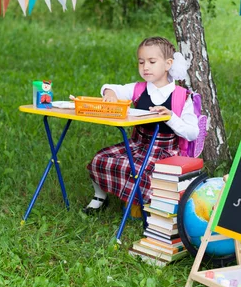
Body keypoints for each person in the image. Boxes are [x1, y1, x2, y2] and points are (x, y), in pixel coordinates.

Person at [84, 37, 200, 215]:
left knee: (137, 170)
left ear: (168, 64)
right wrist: (110, 94)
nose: (145, 67)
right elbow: (110, 87)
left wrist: (170, 117)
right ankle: (100, 197)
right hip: (137, 144)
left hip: (164, 150)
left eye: (152, 62)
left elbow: (192, 133)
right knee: (100, 158)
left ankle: (142, 205)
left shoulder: (182, 96)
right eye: (141, 62)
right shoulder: (138, 89)